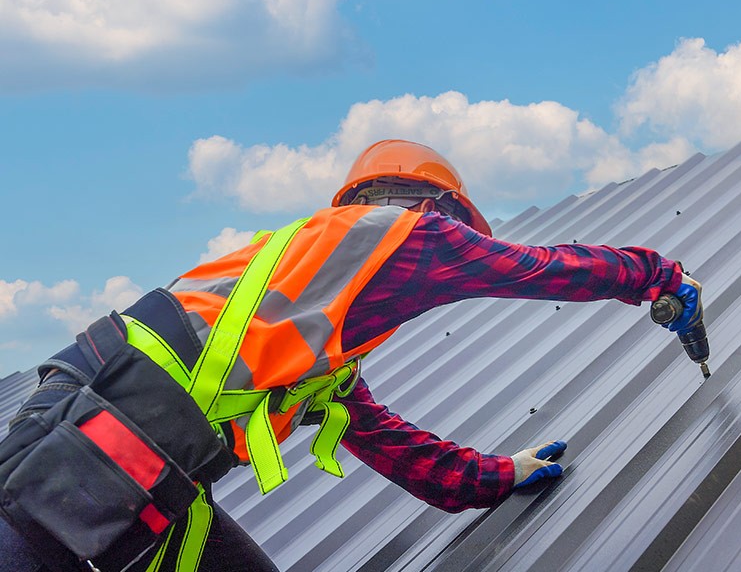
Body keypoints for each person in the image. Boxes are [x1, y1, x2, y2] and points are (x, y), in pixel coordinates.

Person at [0, 140, 702, 571]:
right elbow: (536, 268)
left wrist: (495, 477)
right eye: (453, 220)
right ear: (429, 205)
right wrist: (659, 277)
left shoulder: (305, 315)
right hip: (95, 459)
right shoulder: (403, 235)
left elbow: (388, 444)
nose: (455, 238)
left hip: (115, 452)